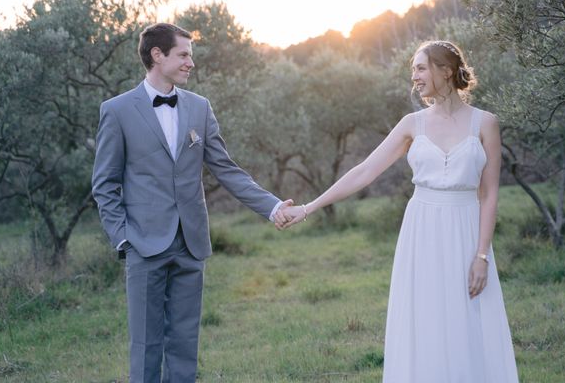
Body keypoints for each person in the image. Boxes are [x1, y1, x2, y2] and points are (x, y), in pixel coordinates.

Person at [279, 41, 519, 382]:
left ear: (445, 71)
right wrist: (309, 207)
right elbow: (364, 171)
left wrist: (482, 255)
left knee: (468, 317)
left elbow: (490, 192)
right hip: (422, 232)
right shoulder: (412, 124)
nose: (415, 77)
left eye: (421, 68)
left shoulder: (485, 123)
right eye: (413, 71)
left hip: (466, 231)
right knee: (427, 320)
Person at [91, 23, 292, 382]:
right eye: (184, 55)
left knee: (185, 343)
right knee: (145, 345)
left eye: (190, 56)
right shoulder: (117, 110)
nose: (190, 63)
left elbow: (227, 170)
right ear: (157, 55)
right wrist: (123, 238)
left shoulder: (200, 108)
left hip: (191, 243)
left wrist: (273, 207)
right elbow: (104, 183)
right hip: (143, 244)